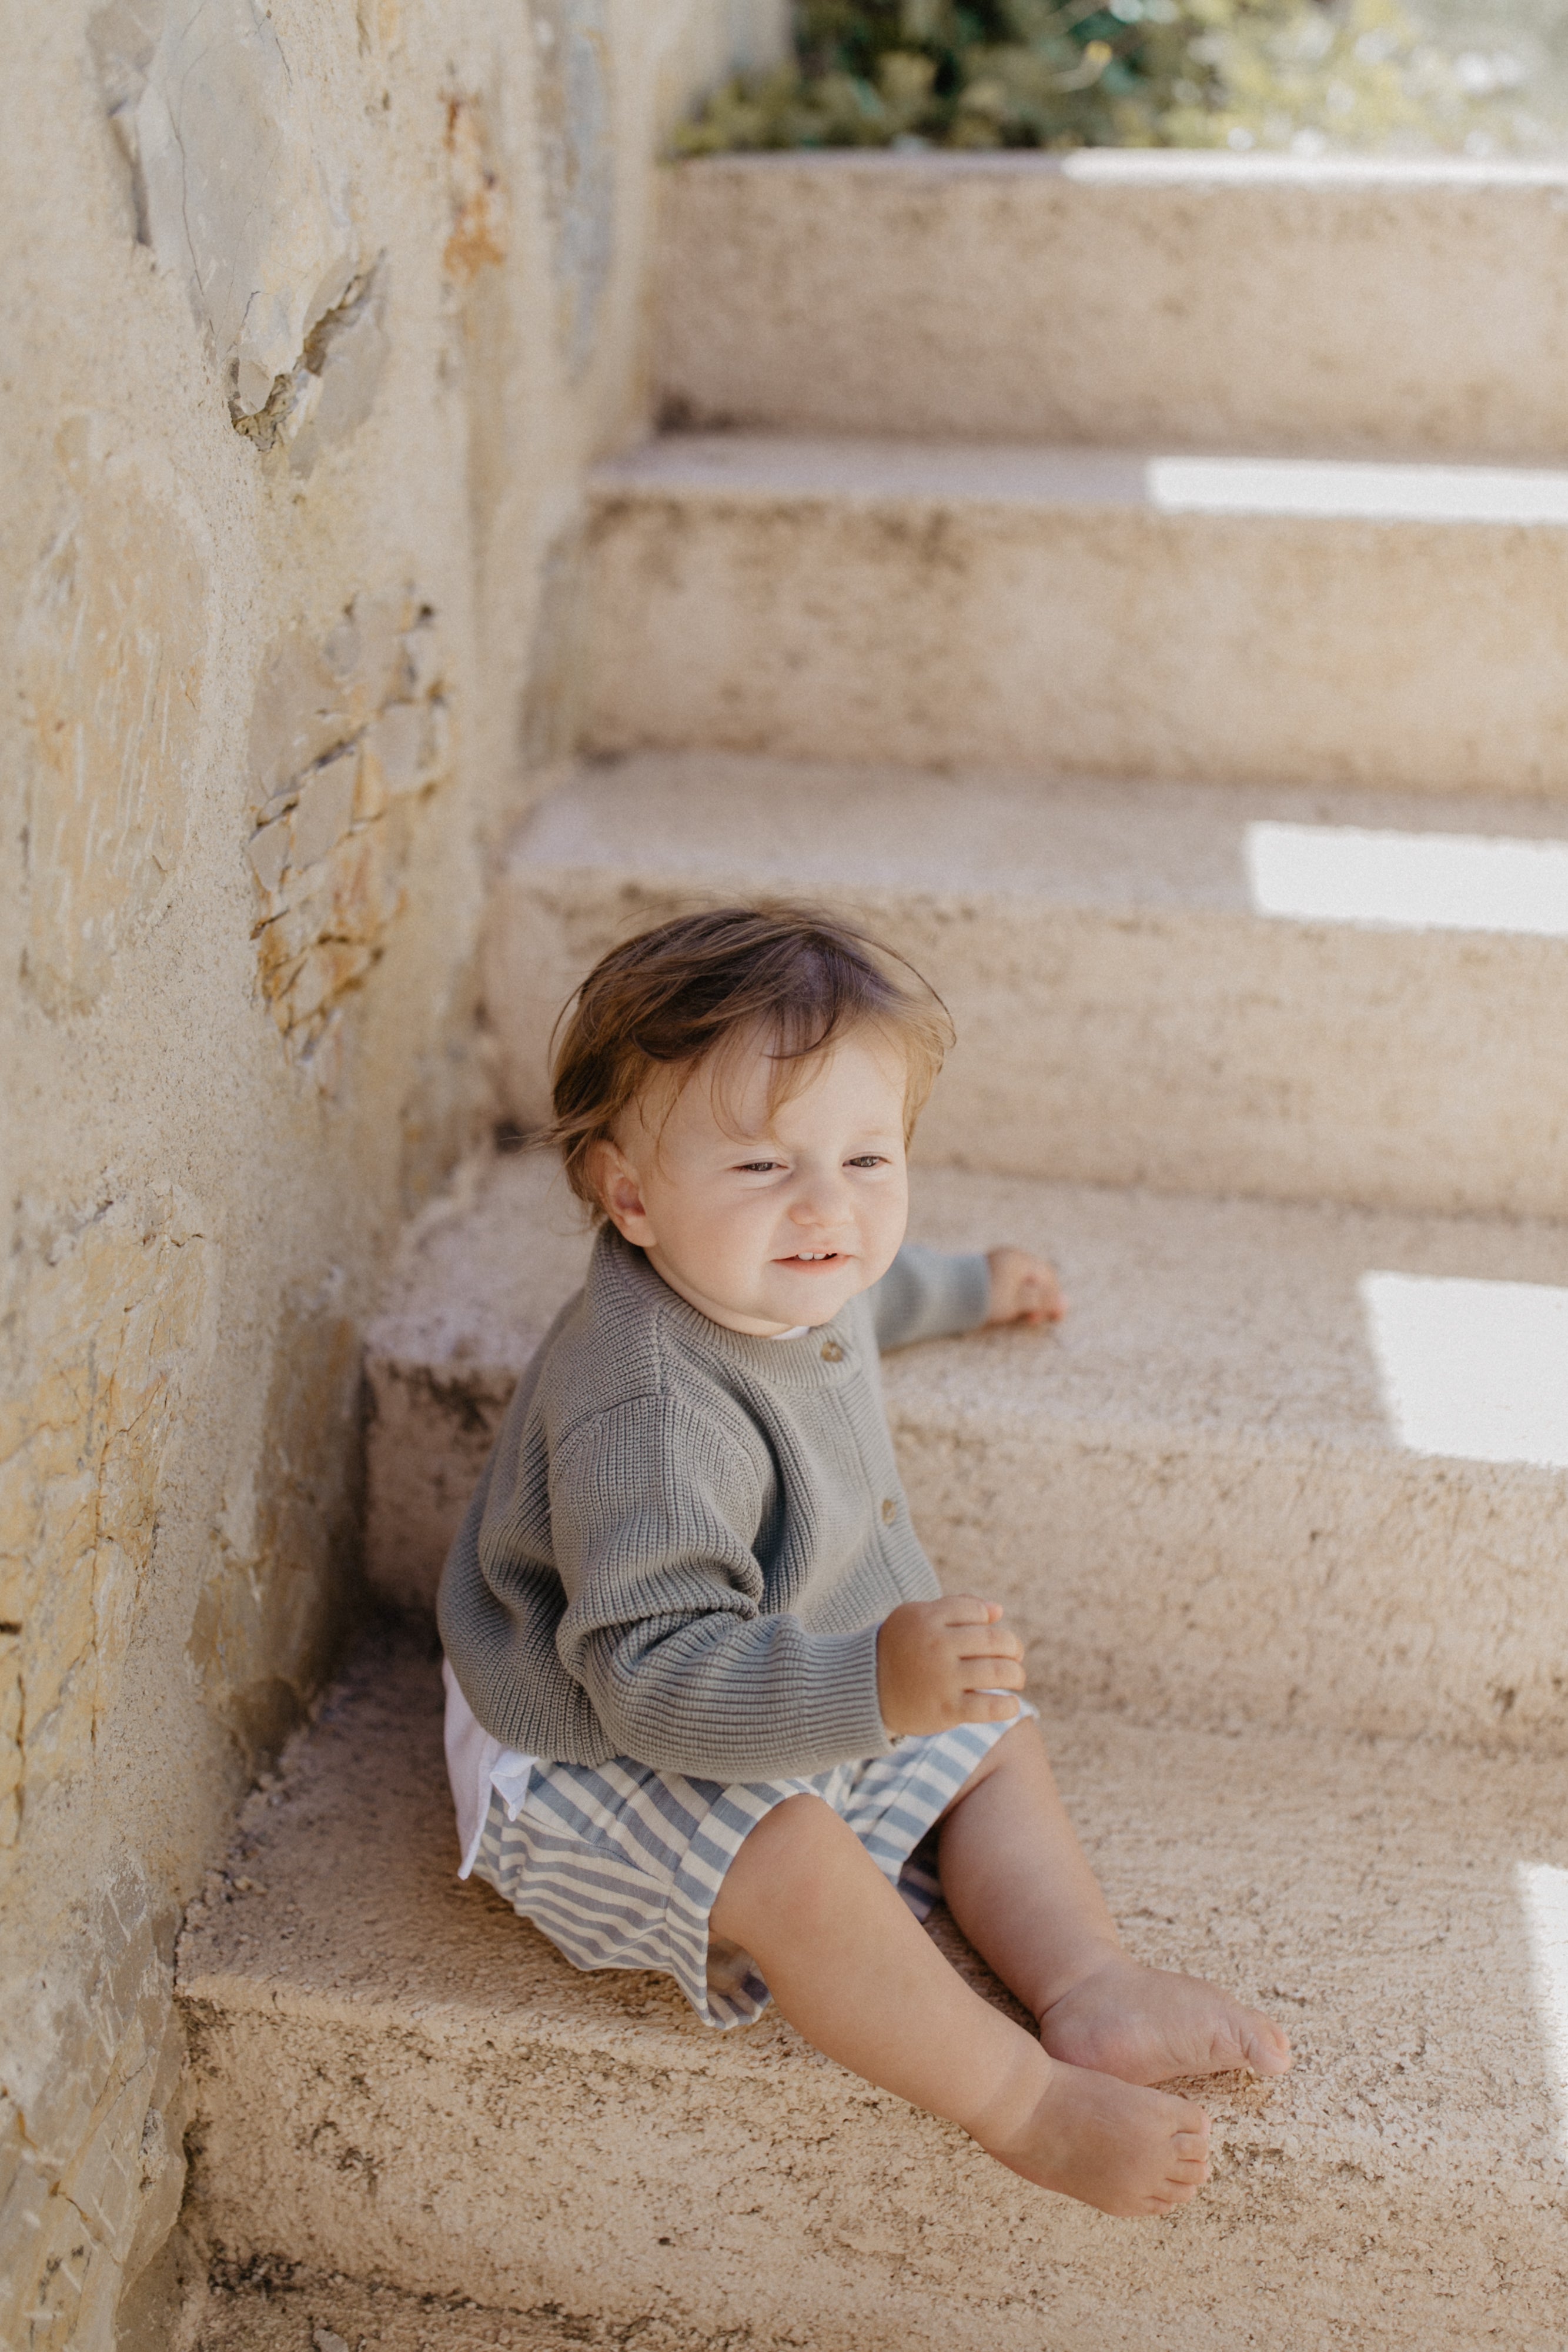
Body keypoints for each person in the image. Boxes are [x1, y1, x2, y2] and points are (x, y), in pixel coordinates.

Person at [438, 905, 1290, 2217]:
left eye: (867, 1156)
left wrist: (971, 1284)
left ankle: (1090, 1984)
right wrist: (871, 1686)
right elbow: (649, 1680)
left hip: (761, 1651)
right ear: (627, 1194)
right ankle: (1025, 2098)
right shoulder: (651, 1410)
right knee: (789, 1855)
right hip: (586, 1725)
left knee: (991, 1726)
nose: (827, 1205)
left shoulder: (779, 1266)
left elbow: (865, 1284)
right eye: (765, 1166)